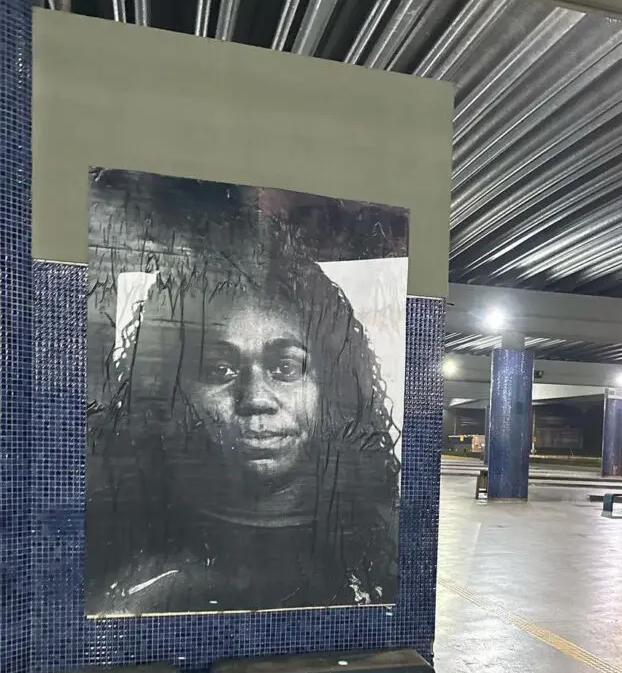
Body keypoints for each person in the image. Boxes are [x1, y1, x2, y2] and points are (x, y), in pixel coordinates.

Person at [85, 170, 401, 617]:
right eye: (219, 369)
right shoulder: (121, 555)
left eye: (286, 367)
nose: (256, 398)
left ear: (329, 385)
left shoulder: (374, 548)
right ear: (171, 390)